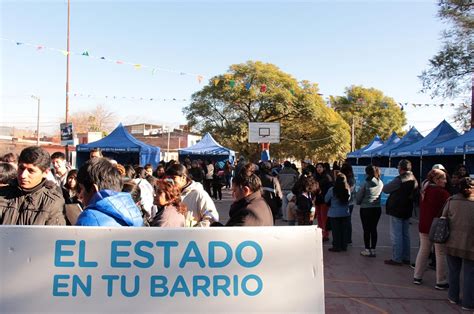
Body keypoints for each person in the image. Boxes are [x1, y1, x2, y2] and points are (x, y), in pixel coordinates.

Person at [0, 146, 66, 225]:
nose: (23, 175)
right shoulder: (2, 194)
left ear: (45, 172)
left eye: (31, 171)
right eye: (21, 168)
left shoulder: (52, 202)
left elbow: (54, 235)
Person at [75, 158, 144, 227]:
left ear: (94, 190)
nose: (80, 195)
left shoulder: (88, 218)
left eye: (81, 189)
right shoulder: (136, 216)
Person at [413, 169, 450, 289]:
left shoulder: (425, 190)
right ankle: (441, 281)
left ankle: (417, 276)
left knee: (424, 250)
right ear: (436, 179)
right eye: (443, 178)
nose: (445, 181)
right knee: (440, 253)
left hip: (424, 225)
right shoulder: (442, 193)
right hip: (438, 226)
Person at [443, 177, 474, 311]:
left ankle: (452, 296)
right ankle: (468, 302)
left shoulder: (451, 200)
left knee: (453, 271)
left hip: (452, 242)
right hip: (470, 244)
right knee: (469, 274)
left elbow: (443, 219)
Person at [383, 159, 419, 266]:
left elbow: (386, 189)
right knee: (405, 234)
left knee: (397, 234)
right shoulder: (414, 178)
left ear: (401, 168)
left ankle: (397, 258)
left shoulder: (400, 179)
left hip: (397, 208)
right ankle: (406, 257)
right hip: (407, 208)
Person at [356, 164, 384, 257]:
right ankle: (373, 249)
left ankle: (367, 249)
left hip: (366, 208)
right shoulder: (380, 182)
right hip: (377, 208)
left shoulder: (365, 183)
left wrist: (359, 201)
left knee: (366, 229)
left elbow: (359, 196)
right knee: (374, 228)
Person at [325, 173, 351, 252]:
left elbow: (326, 199)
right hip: (345, 213)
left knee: (336, 231)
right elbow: (349, 199)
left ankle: (336, 246)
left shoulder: (332, 190)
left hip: (334, 213)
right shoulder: (347, 189)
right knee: (344, 230)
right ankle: (344, 246)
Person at [314, 162, 333, 242]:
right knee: (319, 217)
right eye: (317, 167)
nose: (319, 168)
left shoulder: (327, 177)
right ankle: (321, 233)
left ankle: (325, 234)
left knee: (324, 217)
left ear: (324, 168)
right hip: (317, 199)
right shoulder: (315, 176)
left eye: (320, 167)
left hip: (324, 200)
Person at [340, 162, 355, 244]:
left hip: (347, 202)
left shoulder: (349, 179)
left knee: (346, 221)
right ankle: (347, 238)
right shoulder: (350, 178)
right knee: (347, 220)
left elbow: (349, 190)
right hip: (349, 202)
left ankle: (347, 238)